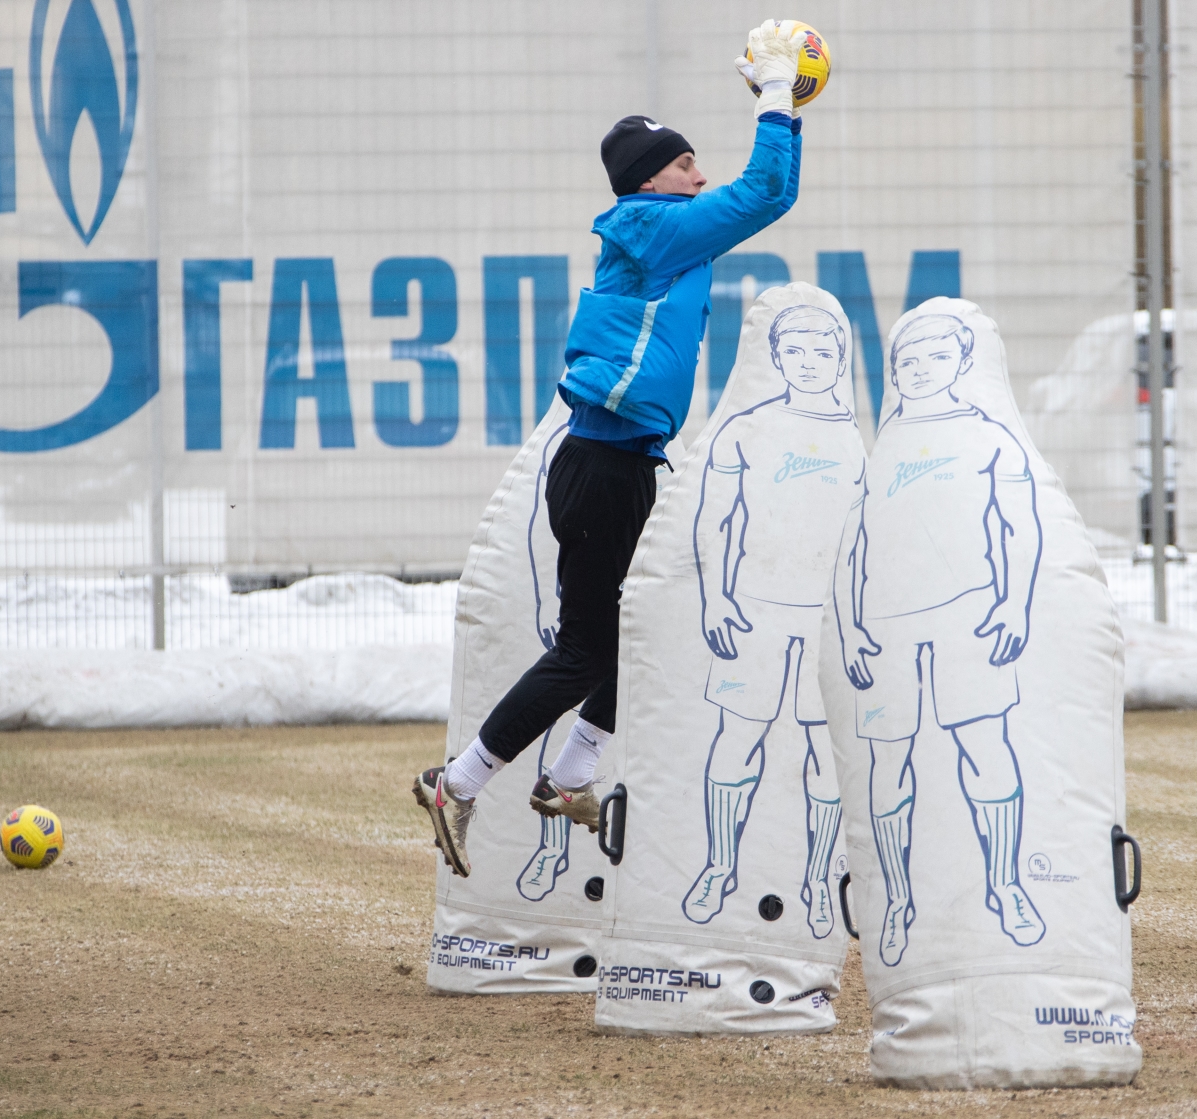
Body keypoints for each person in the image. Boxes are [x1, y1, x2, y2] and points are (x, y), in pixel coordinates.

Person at [415, 20, 811, 877]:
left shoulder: (662, 232)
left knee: (641, 628)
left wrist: (788, 103)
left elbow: (757, 193)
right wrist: (779, 94)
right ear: (648, 181)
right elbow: (767, 193)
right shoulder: (652, 225)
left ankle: (568, 774)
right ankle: (462, 781)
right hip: (605, 468)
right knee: (590, 649)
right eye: (683, 165)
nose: (698, 176)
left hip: (613, 465)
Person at [832, 312, 1046, 966]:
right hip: (889, 629)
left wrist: (1013, 603)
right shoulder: (880, 449)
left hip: (969, 620)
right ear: (895, 372)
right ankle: (896, 900)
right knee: (888, 760)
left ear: (961, 362)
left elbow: (1021, 527)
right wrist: (850, 629)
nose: (921, 368)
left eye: (934, 356)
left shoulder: (990, 439)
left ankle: (1006, 886)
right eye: (909, 361)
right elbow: (851, 552)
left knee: (985, 746)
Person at [682, 305, 862, 937]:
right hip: (754, 612)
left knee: (823, 749)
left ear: (839, 361)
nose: (809, 364)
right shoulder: (745, 429)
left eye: (822, 353)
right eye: (796, 352)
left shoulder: (853, 439)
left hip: (822, 620)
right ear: (777, 358)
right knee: (737, 737)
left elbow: (862, 542)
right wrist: (716, 596)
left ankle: (818, 880)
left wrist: (856, 621)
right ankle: (717, 866)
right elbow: (715, 518)